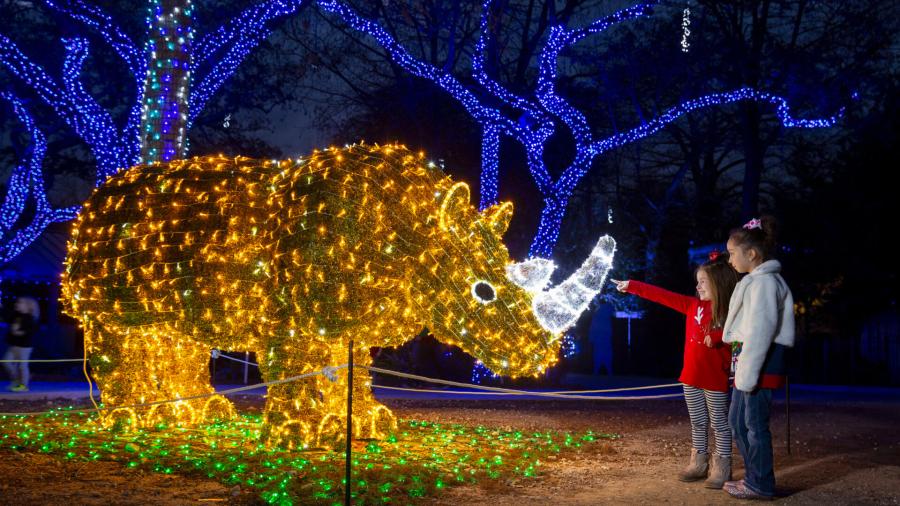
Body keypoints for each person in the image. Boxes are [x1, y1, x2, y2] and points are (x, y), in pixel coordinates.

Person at [612, 251, 739, 489]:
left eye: (703, 281)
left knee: (719, 423)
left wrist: (718, 336)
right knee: (698, 421)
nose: (698, 286)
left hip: (715, 377)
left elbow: (738, 332)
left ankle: (722, 466)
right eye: (698, 281)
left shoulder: (729, 310)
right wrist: (632, 286)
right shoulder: (692, 305)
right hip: (690, 376)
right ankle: (698, 462)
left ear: (718, 283)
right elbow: (662, 296)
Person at [722, 216, 795, 500]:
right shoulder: (755, 282)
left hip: (760, 365)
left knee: (753, 424)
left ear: (751, 254)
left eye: (732, 253)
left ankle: (761, 483)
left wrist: (748, 373)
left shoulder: (764, 283)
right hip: (748, 365)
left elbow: (761, 329)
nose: (730, 260)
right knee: (738, 421)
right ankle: (754, 476)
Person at [3, 296, 40, 392]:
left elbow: (30, 331)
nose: (17, 304)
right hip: (13, 345)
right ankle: (17, 380)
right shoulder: (15, 315)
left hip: (24, 346)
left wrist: (19, 332)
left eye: (20, 303)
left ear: (28, 306)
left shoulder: (30, 318)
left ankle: (24, 385)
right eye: (17, 303)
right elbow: (7, 319)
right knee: (6, 362)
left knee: (22, 365)